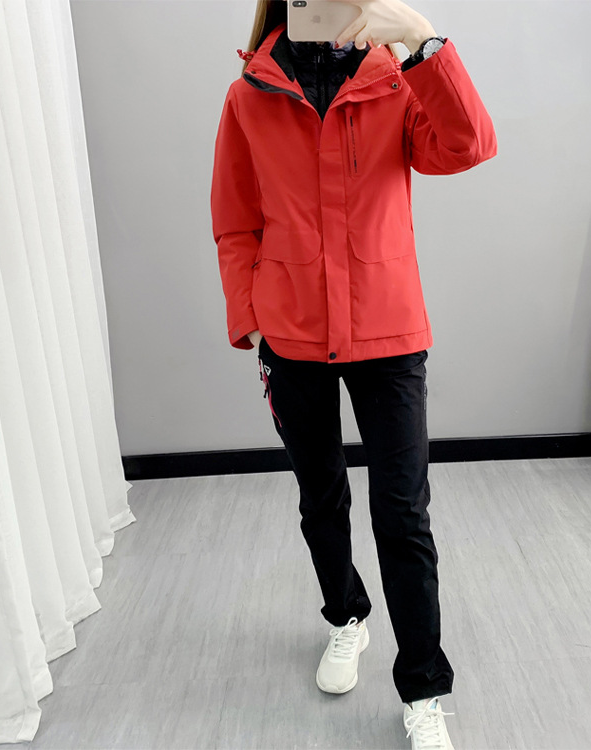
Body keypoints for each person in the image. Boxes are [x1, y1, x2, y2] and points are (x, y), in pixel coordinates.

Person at [210, 1, 497, 747]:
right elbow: (235, 220)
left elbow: (468, 145)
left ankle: (423, 688)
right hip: (293, 335)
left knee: (402, 513)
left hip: (387, 328)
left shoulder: (396, 81)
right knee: (321, 498)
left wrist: (423, 41)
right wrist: (253, 317)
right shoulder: (249, 95)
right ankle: (346, 617)